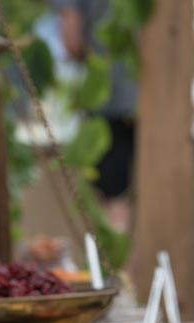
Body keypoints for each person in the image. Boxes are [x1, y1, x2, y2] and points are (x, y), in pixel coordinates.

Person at [53, 0, 137, 232]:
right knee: (127, 195)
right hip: (145, 97)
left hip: (108, 99)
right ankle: (124, 265)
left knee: (112, 199)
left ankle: (114, 267)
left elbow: (71, 39)